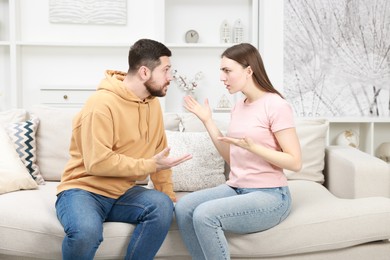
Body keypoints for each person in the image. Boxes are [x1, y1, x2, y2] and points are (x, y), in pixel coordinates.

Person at [55, 38, 192, 260]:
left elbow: (160, 154)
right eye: (166, 70)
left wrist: (167, 195)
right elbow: (97, 162)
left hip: (122, 192)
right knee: (86, 233)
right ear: (145, 72)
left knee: (162, 206)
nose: (170, 77)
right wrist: (149, 164)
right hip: (83, 191)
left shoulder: (152, 105)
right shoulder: (100, 104)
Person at [175, 43, 302, 260]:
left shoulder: (276, 105)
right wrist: (208, 121)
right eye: (221, 71)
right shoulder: (239, 106)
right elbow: (232, 159)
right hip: (236, 187)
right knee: (184, 207)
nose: (222, 78)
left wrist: (255, 148)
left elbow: (295, 162)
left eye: (227, 71)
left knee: (205, 215)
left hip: (270, 194)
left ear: (248, 70)